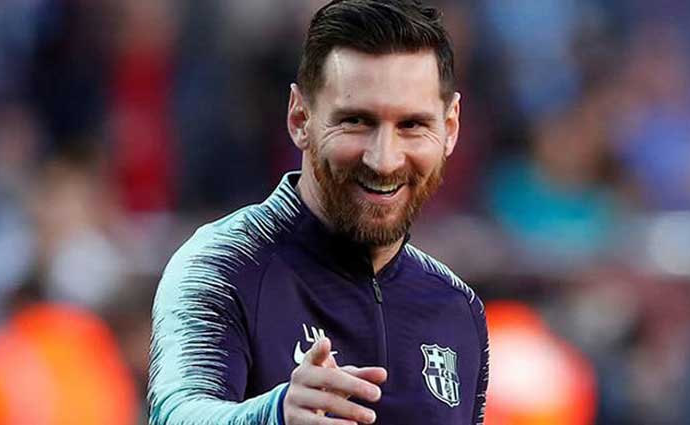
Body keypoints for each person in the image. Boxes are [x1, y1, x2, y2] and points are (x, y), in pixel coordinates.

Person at [148, 1, 489, 424]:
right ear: (300, 118)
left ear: (450, 127)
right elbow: (178, 412)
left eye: (412, 125)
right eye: (356, 121)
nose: (384, 160)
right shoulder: (225, 266)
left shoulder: (458, 310)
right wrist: (275, 415)